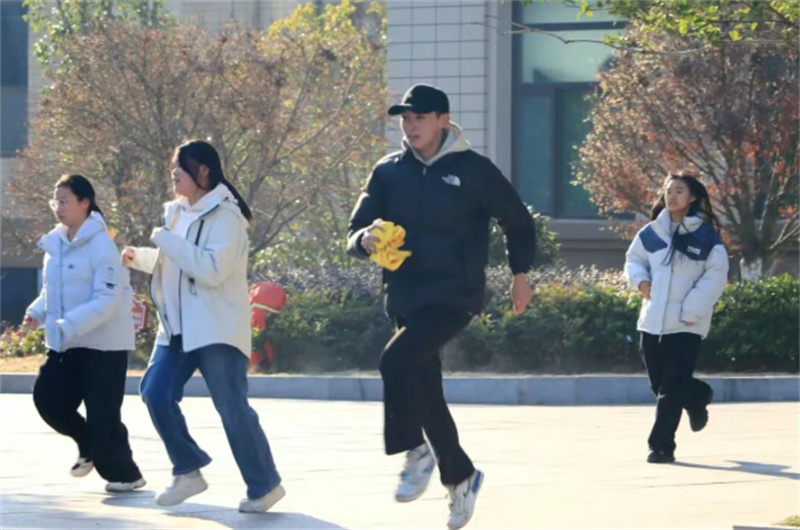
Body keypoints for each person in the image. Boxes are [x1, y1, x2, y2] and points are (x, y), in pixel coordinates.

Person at [346, 84, 536, 530]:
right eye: (405, 118)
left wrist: (520, 274)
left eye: (419, 117)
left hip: (455, 294)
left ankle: (413, 450)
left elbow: (517, 222)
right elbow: (355, 228)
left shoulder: (474, 170)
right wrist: (364, 239)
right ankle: (461, 476)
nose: (410, 126)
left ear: (443, 121)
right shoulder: (388, 171)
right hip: (405, 293)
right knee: (424, 388)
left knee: (395, 362)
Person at [122, 140, 283, 512]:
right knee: (155, 392)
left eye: (180, 166)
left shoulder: (227, 217)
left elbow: (211, 270)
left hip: (215, 328)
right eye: (173, 166)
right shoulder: (177, 212)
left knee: (232, 409)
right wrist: (142, 257)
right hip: (176, 327)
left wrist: (165, 240)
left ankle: (265, 485)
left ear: (203, 171)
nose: (173, 173)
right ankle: (188, 469)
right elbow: (175, 262)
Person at [25, 174, 145, 493]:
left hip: (104, 345)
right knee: (48, 399)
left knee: (103, 417)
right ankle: (89, 445)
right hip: (67, 342)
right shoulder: (55, 244)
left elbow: (107, 299)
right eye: (55, 200)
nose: (58, 207)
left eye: (64, 201)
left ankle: (126, 475)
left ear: (84, 202)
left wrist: (69, 324)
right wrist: (37, 312)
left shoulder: (103, 246)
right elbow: (52, 290)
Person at [624, 172, 728, 464]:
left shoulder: (706, 239)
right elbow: (634, 260)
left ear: (692, 197)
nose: (671, 196)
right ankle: (697, 395)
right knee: (660, 385)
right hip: (652, 322)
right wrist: (640, 281)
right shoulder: (651, 233)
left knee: (670, 390)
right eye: (669, 191)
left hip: (687, 325)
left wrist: (691, 310)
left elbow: (716, 276)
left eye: (679, 191)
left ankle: (661, 447)